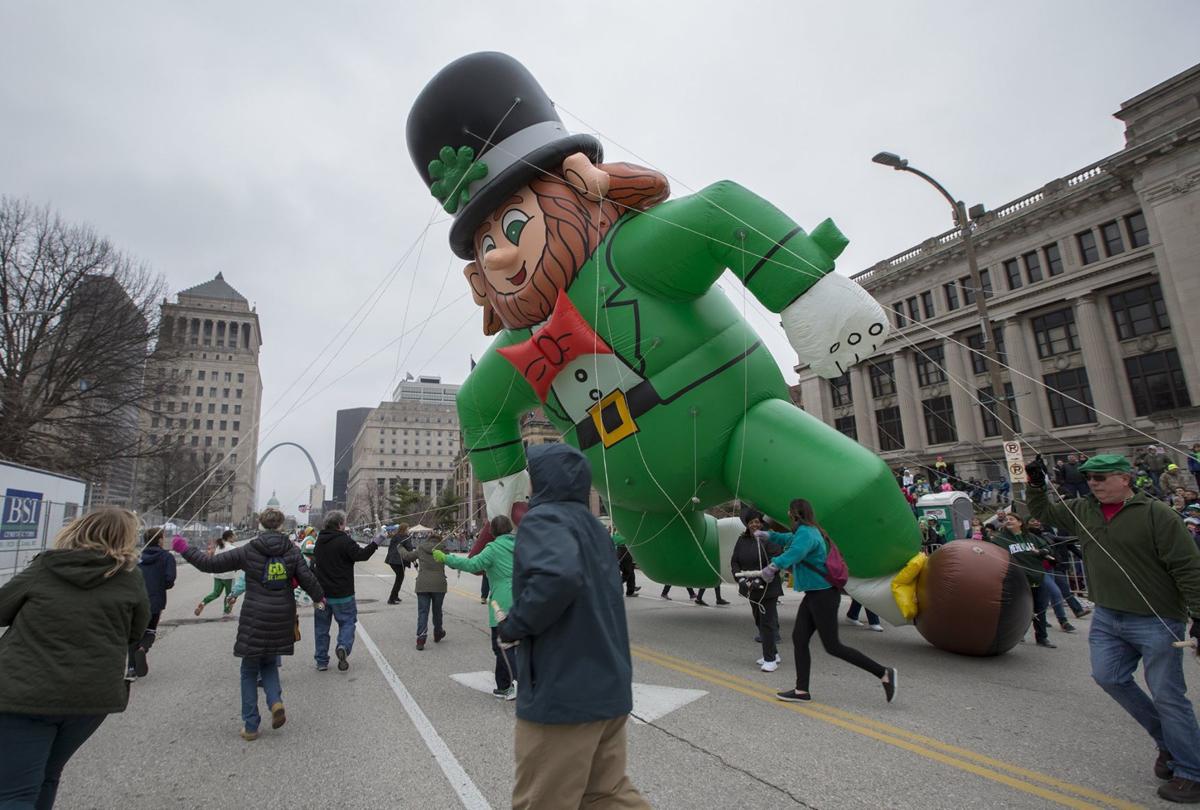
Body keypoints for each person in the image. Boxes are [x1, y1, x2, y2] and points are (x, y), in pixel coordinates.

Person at [1027, 453, 1200, 803]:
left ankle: (1192, 771)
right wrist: (1035, 483)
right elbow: (1044, 512)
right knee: (1108, 677)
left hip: (1156, 619)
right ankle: (1168, 742)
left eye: (1101, 478)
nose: (1093, 483)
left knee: (1168, 695)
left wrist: (1199, 616)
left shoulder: (1157, 515)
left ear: (1125, 479)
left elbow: (1187, 567)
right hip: (1107, 616)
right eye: (1089, 478)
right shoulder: (1084, 510)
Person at [495, 443, 648, 809]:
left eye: (532, 474)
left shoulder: (543, 519)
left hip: (564, 692)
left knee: (540, 799)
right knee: (607, 794)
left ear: (545, 479)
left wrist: (514, 626)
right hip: (608, 687)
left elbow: (557, 577)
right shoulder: (594, 529)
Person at [0, 508, 151, 809]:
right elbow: (136, 632)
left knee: (15, 792)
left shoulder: (45, 567)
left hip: (23, 694)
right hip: (90, 698)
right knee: (48, 775)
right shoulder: (130, 578)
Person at [172, 507, 325, 741]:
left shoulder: (249, 550)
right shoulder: (292, 552)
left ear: (261, 524)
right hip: (282, 615)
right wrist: (320, 598)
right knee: (270, 664)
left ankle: (251, 724)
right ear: (281, 525)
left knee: (249, 670)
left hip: (255, 614)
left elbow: (210, 564)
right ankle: (275, 701)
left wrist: (184, 548)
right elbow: (308, 579)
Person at [762, 499, 896, 703]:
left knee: (833, 646)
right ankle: (801, 691)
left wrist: (774, 566)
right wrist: (770, 535)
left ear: (794, 513)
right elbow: (789, 539)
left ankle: (883, 673)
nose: (788, 515)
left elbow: (796, 552)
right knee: (799, 638)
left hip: (823, 595)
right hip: (815, 594)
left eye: (789, 512)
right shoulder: (809, 530)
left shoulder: (806, 533)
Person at [436, 515, 518, 699]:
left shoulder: (494, 549)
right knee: (519, 644)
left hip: (502, 603)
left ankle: (514, 683)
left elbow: (472, 564)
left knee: (502, 647)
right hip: (522, 599)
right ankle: (507, 684)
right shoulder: (520, 545)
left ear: (493, 531)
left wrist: (447, 558)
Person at [312, 511, 379, 672]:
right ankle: (343, 646)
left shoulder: (319, 541)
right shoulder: (344, 541)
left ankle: (321, 660)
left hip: (321, 596)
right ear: (340, 524)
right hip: (343, 595)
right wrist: (377, 541)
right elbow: (361, 555)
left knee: (321, 628)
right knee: (348, 622)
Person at [986, 512, 1059, 647]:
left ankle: (1042, 638)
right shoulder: (999, 540)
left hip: (1037, 576)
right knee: (1019, 608)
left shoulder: (1031, 537)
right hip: (1018, 579)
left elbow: (1047, 549)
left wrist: (1042, 552)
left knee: (1040, 609)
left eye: (1012, 519)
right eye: (1006, 520)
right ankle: (1017, 635)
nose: (1008, 521)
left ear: (1020, 522)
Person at [729, 508, 783, 671]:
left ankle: (770, 660)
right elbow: (735, 561)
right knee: (759, 620)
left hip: (768, 587)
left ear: (762, 523)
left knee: (767, 622)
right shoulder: (742, 540)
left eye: (757, 522)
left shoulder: (769, 538)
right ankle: (774, 653)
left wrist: (762, 577)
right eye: (752, 522)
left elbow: (777, 560)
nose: (755, 525)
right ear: (747, 524)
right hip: (750, 588)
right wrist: (741, 579)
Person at [130, 527, 176, 677]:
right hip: (156, 599)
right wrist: (161, 585)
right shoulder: (167, 557)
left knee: (135, 632)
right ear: (160, 539)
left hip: (135, 598)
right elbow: (170, 579)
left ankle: (131, 668)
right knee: (150, 629)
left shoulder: (137, 556)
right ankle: (143, 649)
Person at [401, 530, 447, 650]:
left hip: (423, 584)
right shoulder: (443, 548)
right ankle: (438, 632)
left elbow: (408, 556)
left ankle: (421, 638)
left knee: (423, 611)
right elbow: (452, 563)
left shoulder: (421, 548)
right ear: (439, 540)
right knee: (437, 611)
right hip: (439, 584)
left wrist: (400, 547)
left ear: (428, 539)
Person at [194, 530, 237, 617]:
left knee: (215, 593)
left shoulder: (218, 547)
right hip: (229, 575)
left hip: (217, 574)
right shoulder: (233, 549)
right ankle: (227, 612)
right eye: (234, 536)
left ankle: (203, 602)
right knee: (229, 594)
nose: (236, 537)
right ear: (229, 537)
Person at [383, 523, 413, 605]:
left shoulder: (395, 536)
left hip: (392, 560)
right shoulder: (406, 538)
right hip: (399, 561)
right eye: (407, 529)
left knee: (399, 578)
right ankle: (391, 598)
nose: (408, 530)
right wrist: (414, 560)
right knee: (399, 579)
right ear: (404, 529)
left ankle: (395, 596)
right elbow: (410, 549)